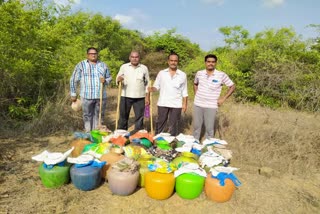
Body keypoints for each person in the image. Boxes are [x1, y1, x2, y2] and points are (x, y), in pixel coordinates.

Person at [193, 54, 235, 140]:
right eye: (208, 62)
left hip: (211, 105)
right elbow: (195, 83)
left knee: (209, 128)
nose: (210, 64)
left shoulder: (221, 75)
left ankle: (208, 148)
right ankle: (195, 144)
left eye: (213, 62)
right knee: (197, 127)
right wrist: (197, 94)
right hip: (198, 104)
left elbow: (232, 86)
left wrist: (223, 98)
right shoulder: (199, 73)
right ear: (205, 63)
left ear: (215, 63)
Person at [70, 47, 112, 132]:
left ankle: (97, 133)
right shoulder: (81, 65)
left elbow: (109, 77)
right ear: (87, 55)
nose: (93, 55)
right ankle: (89, 132)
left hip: (100, 96)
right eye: (91, 54)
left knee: (99, 115)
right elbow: (73, 79)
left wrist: (105, 81)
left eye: (95, 53)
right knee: (87, 116)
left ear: (97, 55)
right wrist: (73, 94)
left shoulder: (103, 65)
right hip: (86, 96)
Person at [148, 52, 188, 136]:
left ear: (178, 62)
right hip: (163, 102)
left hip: (176, 104)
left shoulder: (182, 75)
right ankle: (157, 140)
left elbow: (184, 91)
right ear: (168, 61)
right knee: (160, 122)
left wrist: (185, 104)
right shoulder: (162, 73)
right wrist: (152, 89)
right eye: (171, 60)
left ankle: (172, 143)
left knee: (174, 125)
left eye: (175, 61)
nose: (173, 62)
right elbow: (156, 86)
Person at [116, 51, 150, 133]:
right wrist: (119, 79)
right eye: (133, 57)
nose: (134, 59)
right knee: (123, 116)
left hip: (140, 97)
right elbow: (117, 79)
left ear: (139, 58)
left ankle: (137, 134)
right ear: (129, 57)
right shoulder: (124, 67)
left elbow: (148, 83)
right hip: (125, 95)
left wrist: (147, 97)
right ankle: (122, 133)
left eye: (136, 57)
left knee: (139, 117)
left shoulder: (144, 68)